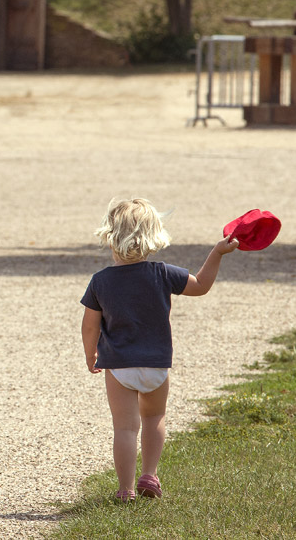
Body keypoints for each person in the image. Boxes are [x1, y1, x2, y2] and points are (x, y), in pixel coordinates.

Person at [80, 198, 239, 502]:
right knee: (154, 419)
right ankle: (149, 475)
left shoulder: (100, 281)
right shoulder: (163, 273)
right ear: (154, 235)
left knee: (126, 428)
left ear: (110, 236)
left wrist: (91, 353)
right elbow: (201, 285)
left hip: (120, 367)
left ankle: (126, 489)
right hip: (156, 365)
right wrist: (217, 252)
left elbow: (90, 326)